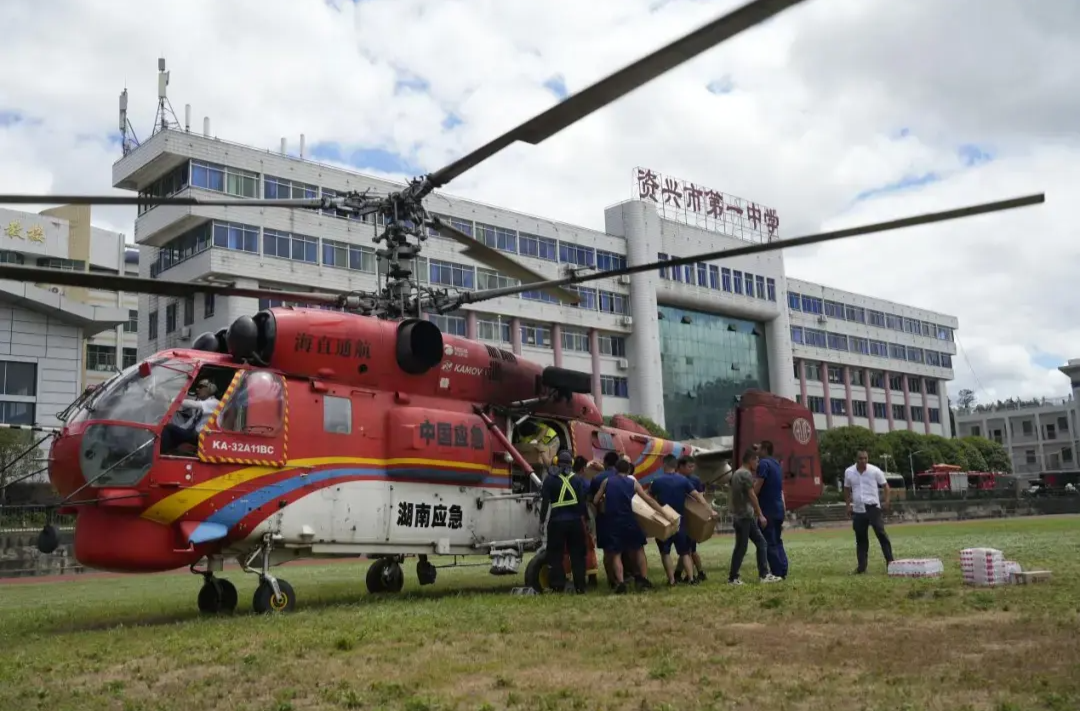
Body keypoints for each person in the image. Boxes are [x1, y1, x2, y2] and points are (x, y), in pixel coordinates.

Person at [593, 458, 662, 593]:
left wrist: (604, 501)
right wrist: (661, 511)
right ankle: (642, 580)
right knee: (639, 550)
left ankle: (620, 583)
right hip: (630, 520)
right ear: (628, 470)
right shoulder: (633, 483)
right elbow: (647, 499)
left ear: (616, 470)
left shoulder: (607, 482)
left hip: (613, 523)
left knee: (616, 554)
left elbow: (596, 499)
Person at [649, 456, 712, 585]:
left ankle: (672, 580)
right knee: (684, 553)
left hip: (664, 521)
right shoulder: (683, 481)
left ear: (664, 464)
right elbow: (697, 496)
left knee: (665, 553)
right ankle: (691, 578)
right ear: (676, 465)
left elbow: (649, 498)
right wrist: (709, 510)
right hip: (680, 522)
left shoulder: (657, 482)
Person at [728, 448, 783, 585]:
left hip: (743, 515)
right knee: (741, 547)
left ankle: (764, 574)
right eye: (757, 461)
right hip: (744, 516)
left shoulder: (737, 473)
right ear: (751, 460)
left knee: (761, 543)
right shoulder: (745, 474)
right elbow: (752, 495)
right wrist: (761, 515)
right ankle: (733, 577)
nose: (758, 465)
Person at [538, 449, 589, 593]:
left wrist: (542, 522)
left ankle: (558, 585)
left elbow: (545, 503)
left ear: (556, 462)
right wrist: (587, 521)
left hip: (556, 523)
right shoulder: (578, 480)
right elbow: (582, 503)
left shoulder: (549, 479)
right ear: (571, 463)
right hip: (575, 524)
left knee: (555, 555)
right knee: (578, 555)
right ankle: (580, 587)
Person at [843, 450, 895, 574]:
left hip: (873, 507)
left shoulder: (874, 471)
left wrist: (886, 502)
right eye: (861, 458)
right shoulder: (849, 472)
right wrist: (848, 506)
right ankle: (862, 566)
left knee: (881, 534)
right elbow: (846, 489)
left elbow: (886, 487)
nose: (863, 461)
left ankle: (890, 562)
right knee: (861, 539)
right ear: (857, 459)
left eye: (866, 458)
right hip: (858, 509)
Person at [753, 440, 789, 580]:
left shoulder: (763, 464)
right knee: (777, 540)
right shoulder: (776, 464)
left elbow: (759, 485)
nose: (756, 452)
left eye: (759, 449)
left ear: (765, 449)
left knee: (769, 541)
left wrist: (751, 496)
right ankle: (783, 568)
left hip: (768, 508)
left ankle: (776, 572)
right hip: (778, 507)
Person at [588, 451, 622, 587]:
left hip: (605, 520)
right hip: (624, 517)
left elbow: (590, 499)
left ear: (605, 462)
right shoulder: (626, 477)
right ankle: (626, 577)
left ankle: (612, 580)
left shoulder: (597, 479)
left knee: (608, 551)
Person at [161, 378, 219, 454]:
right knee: (168, 428)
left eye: (201, 387)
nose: (197, 389)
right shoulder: (202, 405)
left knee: (168, 428)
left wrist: (172, 399)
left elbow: (194, 404)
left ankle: (165, 454)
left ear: (210, 389)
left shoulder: (215, 403)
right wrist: (177, 429)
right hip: (192, 434)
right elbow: (190, 422)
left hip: (201, 437)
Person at [676, 455, 708, 582]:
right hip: (680, 516)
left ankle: (696, 573)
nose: (692, 469)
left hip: (691, 517)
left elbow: (701, 497)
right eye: (690, 466)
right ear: (681, 466)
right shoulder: (677, 479)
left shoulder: (695, 480)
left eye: (693, 466)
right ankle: (681, 573)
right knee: (685, 550)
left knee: (690, 549)